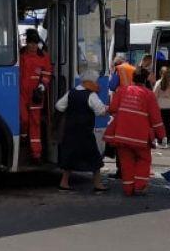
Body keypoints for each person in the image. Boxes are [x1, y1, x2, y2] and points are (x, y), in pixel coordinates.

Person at [105, 68, 166, 195]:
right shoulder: (149, 94)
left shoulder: (122, 91)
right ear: (145, 79)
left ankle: (128, 189)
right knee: (144, 160)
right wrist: (161, 135)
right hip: (140, 137)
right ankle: (139, 187)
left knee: (126, 163)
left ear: (133, 78)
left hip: (121, 135)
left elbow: (112, 109)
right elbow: (156, 118)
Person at [55, 69, 108, 192]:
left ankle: (64, 182)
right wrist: (108, 109)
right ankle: (98, 184)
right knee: (95, 158)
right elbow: (100, 111)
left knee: (69, 156)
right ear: (90, 82)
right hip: (85, 132)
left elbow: (59, 106)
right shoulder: (91, 95)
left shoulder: (71, 92)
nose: (96, 84)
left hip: (70, 130)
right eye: (95, 81)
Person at [19, 28, 53, 161]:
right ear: (27, 43)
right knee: (24, 119)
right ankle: (23, 138)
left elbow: (47, 73)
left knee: (35, 123)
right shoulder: (20, 55)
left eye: (35, 43)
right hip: (21, 94)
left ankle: (36, 153)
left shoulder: (43, 56)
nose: (33, 46)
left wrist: (42, 85)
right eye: (31, 43)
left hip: (36, 95)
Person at [153, 65, 170, 140]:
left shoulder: (158, 83)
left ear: (161, 73)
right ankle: (167, 138)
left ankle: (159, 137)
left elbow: (154, 94)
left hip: (160, 105)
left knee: (159, 123)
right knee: (167, 123)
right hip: (168, 105)